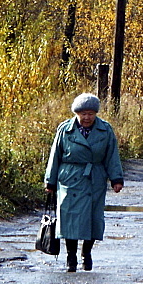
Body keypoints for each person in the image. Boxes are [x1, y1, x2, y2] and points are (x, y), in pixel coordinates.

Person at [45, 93, 124, 272]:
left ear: (95, 113)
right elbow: (54, 156)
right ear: (76, 114)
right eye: (83, 114)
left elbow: (112, 155)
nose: (87, 118)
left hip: (94, 178)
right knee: (69, 219)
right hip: (69, 179)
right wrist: (50, 181)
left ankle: (86, 253)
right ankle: (70, 257)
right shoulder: (65, 129)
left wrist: (116, 179)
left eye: (90, 113)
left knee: (94, 218)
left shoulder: (105, 130)